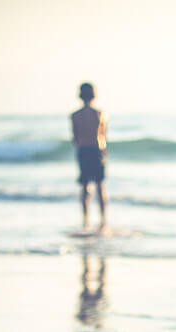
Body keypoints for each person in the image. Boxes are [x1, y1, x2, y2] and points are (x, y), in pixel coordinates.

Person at [71, 83, 107, 230]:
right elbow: (103, 136)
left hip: (83, 150)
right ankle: (103, 220)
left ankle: (85, 220)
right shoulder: (99, 114)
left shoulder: (75, 116)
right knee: (100, 186)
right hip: (96, 150)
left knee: (85, 187)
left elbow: (75, 138)